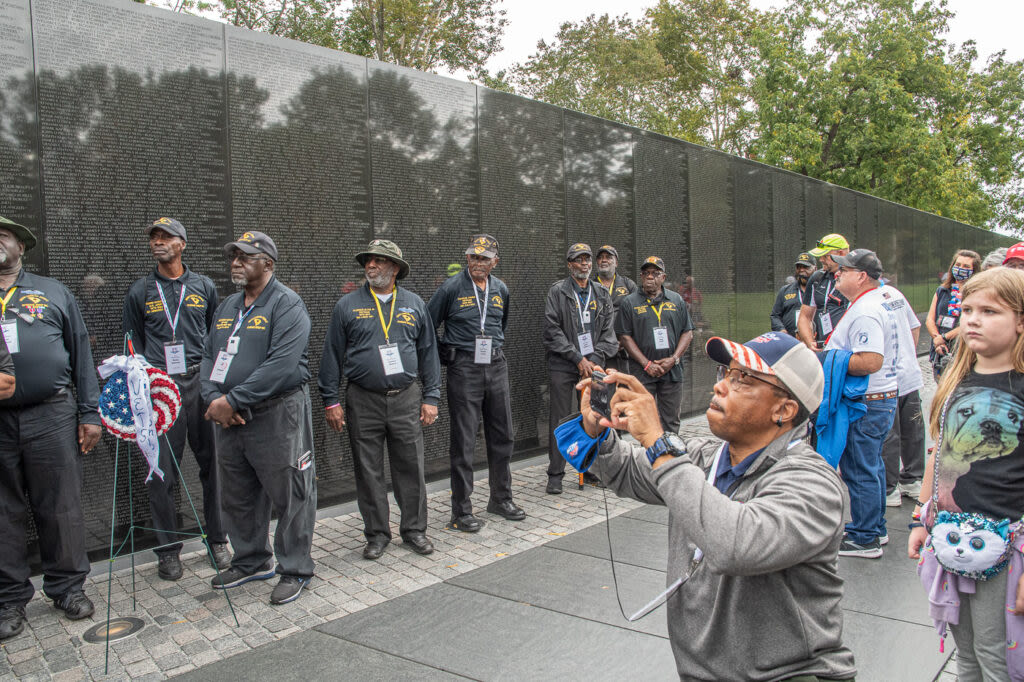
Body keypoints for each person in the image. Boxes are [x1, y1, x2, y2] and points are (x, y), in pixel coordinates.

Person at [560, 331, 854, 680]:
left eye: (744, 379)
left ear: (784, 409)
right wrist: (598, 432)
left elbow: (737, 545)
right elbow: (626, 469)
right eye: (726, 374)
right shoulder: (705, 457)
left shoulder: (813, 483)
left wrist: (659, 443)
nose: (721, 387)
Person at [908, 267, 1024, 682]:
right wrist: (922, 516)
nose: (972, 319)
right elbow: (938, 454)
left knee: (997, 656)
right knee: (966, 652)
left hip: (1008, 548)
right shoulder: (956, 379)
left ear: (1021, 321)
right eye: (968, 309)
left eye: (990, 311)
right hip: (950, 539)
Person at [200, 231, 316, 605]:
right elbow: (207, 356)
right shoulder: (227, 306)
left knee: (291, 494)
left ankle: (295, 568)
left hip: (277, 415)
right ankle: (251, 559)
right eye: (233, 256)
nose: (235, 262)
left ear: (268, 263)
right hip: (230, 418)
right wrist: (214, 397)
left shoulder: (287, 304)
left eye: (245, 257)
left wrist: (233, 399)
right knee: (237, 493)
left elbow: (281, 365)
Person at [0, 216, 100, 639]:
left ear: (22, 247)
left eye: (3, 235)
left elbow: (81, 354)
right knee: (3, 512)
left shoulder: (52, 291)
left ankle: (67, 587)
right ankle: (8, 599)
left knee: (60, 505)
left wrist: (90, 413)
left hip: (51, 414)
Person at [319, 239, 441, 560]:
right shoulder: (347, 305)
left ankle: (414, 530)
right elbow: (331, 356)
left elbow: (429, 353)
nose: (371, 266)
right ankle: (376, 534)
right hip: (363, 399)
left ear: (395, 268)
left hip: (406, 397)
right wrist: (330, 400)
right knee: (368, 468)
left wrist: (431, 397)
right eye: (368, 261)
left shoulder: (414, 304)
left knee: (410, 466)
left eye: (379, 261)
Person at [123, 217, 230, 581]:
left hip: (200, 381)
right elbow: (132, 342)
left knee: (213, 466)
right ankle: (168, 550)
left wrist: (217, 384)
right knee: (161, 471)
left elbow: (217, 336)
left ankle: (218, 540)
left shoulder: (203, 286)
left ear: (182, 244)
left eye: (166, 237)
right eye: (153, 237)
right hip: (160, 387)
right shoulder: (140, 291)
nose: (158, 242)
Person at [427, 234, 524, 533]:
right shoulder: (451, 287)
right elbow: (429, 325)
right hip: (465, 366)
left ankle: (500, 498)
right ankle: (462, 510)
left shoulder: (501, 289)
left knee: (503, 434)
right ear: (467, 258)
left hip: (495, 364)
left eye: (485, 258)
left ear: (495, 261)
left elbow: (501, 324)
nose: (478, 262)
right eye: (474, 257)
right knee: (465, 440)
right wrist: (448, 354)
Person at [826, 249, 914, 558]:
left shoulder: (865, 310)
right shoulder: (882, 298)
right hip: (881, 398)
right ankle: (874, 527)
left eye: (844, 270)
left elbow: (871, 360)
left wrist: (826, 358)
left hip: (866, 402)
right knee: (872, 465)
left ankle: (865, 538)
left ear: (861, 276)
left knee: (859, 468)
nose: (837, 274)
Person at [542, 243, 617, 494]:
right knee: (561, 419)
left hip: (594, 366)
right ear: (569, 264)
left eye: (587, 259)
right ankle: (556, 474)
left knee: (593, 417)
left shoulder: (601, 293)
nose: (585, 264)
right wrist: (577, 358)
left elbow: (609, 332)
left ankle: (591, 470)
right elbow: (552, 331)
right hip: (564, 365)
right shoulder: (558, 292)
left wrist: (594, 359)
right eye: (579, 260)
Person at [617, 256, 694, 434]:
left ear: (663, 278)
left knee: (671, 421)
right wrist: (646, 364)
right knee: (645, 420)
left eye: (655, 273)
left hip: (672, 371)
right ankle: (651, 458)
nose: (650, 277)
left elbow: (687, 332)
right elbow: (625, 337)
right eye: (646, 273)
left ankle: (672, 457)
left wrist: (674, 359)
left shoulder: (676, 300)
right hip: (643, 372)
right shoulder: (630, 302)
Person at [880, 283, 925, 508]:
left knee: (895, 433)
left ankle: (893, 488)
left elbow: (914, 326)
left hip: (889, 381)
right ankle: (909, 480)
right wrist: (908, 356)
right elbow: (915, 326)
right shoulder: (895, 292)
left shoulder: (871, 301)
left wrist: (905, 357)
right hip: (905, 375)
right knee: (909, 430)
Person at [925, 250, 980, 380]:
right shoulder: (942, 290)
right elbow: (930, 319)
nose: (961, 269)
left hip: (962, 349)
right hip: (940, 349)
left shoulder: (976, 293)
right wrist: (937, 340)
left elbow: (969, 323)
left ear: (974, 270)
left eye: (966, 266)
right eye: (958, 264)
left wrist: (944, 337)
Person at [798, 233, 850, 350]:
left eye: (825, 256)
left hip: (849, 349)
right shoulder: (817, 278)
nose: (820, 259)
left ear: (841, 253)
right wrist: (810, 342)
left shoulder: (856, 278)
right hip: (825, 347)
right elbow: (804, 317)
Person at [593, 245, 637, 372]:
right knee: (601, 388)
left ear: (616, 262)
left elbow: (638, 314)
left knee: (623, 388)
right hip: (599, 350)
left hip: (623, 349)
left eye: (608, 257)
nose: (604, 260)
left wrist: (625, 341)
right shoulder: (590, 286)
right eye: (600, 258)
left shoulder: (628, 285)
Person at [770, 252, 815, 336]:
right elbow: (775, 316)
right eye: (799, 267)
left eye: (806, 267)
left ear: (815, 269)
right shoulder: (785, 290)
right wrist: (781, 330)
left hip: (815, 339)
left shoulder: (820, 290)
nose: (801, 270)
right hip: (791, 341)